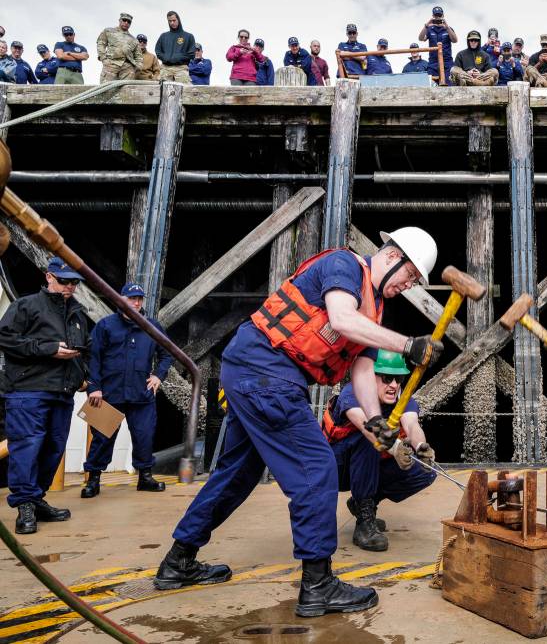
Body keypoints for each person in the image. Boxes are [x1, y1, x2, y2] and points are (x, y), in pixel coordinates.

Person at [156, 227, 443, 617]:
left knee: (238, 473)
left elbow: (361, 368)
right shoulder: (343, 265)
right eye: (410, 276)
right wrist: (408, 344)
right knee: (317, 468)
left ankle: (178, 560)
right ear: (393, 257)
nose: (408, 285)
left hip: (254, 372)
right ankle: (318, 585)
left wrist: (376, 423)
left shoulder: (373, 311)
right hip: (266, 372)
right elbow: (341, 319)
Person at [0, 258, 90, 535]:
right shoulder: (25, 306)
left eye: (74, 282)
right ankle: (25, 504)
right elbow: (4, 338)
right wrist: (47, 348)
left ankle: (36, 498)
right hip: (28, 391)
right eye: (65, 281)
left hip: (61, 392)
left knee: (53, 448)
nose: (70, 287)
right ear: (49, 276)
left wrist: (83, 376)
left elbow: (83, 350)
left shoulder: (77, 312)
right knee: (27, 447)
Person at [323, 351, 436, 552]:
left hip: (367, 466)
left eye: (398, 378)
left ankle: (365, 504)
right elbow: (365, 424)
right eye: (386, 378)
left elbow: (412, 425)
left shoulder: (402, 400)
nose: (394, 385)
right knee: (368, 438)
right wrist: (395, 448)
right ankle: (365, 524)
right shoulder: (353, 393)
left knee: (424, 470)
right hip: (336, 468)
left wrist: (421, 446)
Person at [81, 283, 172, 498]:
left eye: (139, 298)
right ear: (121, 300)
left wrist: (159, 374)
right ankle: (93, 480)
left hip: (141, 395)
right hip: (108, 394)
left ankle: (145, 478)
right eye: (132, 298)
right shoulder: (105, 326)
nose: (136, 302)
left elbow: (167, 353)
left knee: (145, 436)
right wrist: (94, 387)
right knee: (102, 438)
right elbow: (92, 357)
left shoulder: (153, 326)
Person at [96, 12, 142, 82]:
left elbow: (138, 56)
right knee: (106, 89)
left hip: (127, 68)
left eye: (129, 22)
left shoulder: (134, 40)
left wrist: (137, 67)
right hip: (111, 64)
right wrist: (104, 59)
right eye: (124, 20)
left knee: (127, 90)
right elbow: (101, 44)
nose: (126, 23)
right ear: (120, 20)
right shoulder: (109, 31)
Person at [419, 7, 457, 85]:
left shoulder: (448, 28)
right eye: (436, 16)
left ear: (443, 15)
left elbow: (455, 40)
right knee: (430, 85)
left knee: (449, 84)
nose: (438, 17)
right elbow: (421, 38)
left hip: (447, 61)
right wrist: (427, 25)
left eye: (439, 15)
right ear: (433, 16)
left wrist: (447, 27)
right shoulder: (429, 28)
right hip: (433, 62)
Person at [155, 11, 195, 83]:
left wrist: (178, 57)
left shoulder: (188, 36)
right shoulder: (163, 36)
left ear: (178, 20)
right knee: (162, 91)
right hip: (165, 68)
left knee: (185, 91)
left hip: (181, 68)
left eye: (174, 20)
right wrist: (166, 57)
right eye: (170, 21)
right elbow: (158, 51)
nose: (172, 23)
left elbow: (191, 54)